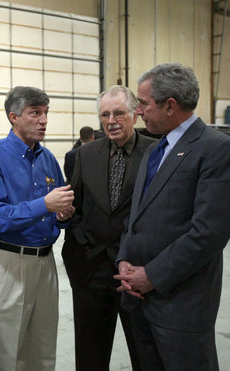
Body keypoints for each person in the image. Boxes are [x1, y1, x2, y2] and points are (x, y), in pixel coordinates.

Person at [114, 63, 230, 370]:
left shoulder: (219, 151)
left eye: (144, 104)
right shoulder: (153, 151)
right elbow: (135, 218)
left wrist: (151, 276)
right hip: (138, 298)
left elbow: (208, 234)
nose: (138, 113)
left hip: (180, 304)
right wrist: (124, 259)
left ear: (170, 106)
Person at [0, 86, 75, 371]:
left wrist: (63, 214)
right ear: (14, 117)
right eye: (35, 113)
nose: (43, 120)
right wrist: (45, 204)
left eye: (45, 113)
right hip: (8, 262)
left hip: (44, 262)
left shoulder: (47, 159)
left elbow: (58, 210)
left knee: (42, 350)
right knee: (5, 352)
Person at [62, 85, 154, 371]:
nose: (111, 120)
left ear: (135, 114)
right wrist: (81, 241)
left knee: (145, 353)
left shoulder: (156, 152)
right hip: (90, 269)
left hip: (136, 272)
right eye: (105, 114)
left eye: (118, 113)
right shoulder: (84, 154)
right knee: (90, 355)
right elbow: (74, 206)